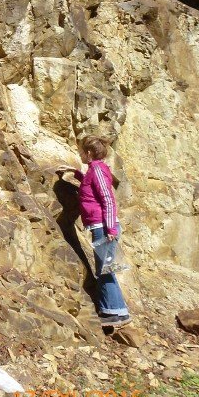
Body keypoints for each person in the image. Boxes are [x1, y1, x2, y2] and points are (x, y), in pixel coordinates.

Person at [57, 135, 132, 328]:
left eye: (81, 151)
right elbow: (91, 189)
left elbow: (107, 198)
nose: (79, 154)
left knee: (105, 271)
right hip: (101, 226)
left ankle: (113, 313)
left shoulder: (97, 169)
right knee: (105, 270)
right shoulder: (95, 169)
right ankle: (117, 312)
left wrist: (111, 228)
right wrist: (77, 173)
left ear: (88, 153)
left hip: (104, 228)